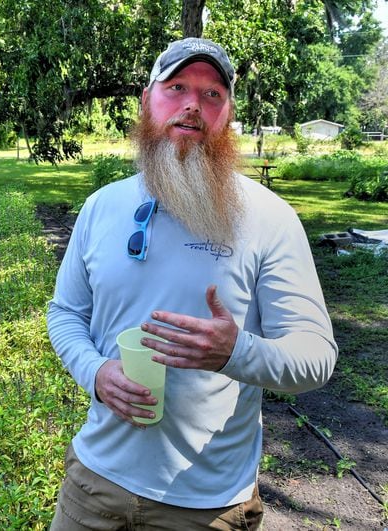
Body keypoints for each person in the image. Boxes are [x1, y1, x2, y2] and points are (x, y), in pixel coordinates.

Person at [47, 37, 337, 530]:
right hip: (93, 483)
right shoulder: (103, 206)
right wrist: (95, 373)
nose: (192, 105)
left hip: (206, 504)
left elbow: (316, 357)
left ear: (227, 114)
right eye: (177, 87)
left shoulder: (269, 218)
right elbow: (66, 313)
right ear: (147, 100)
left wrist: (236, 352)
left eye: (212, 95)